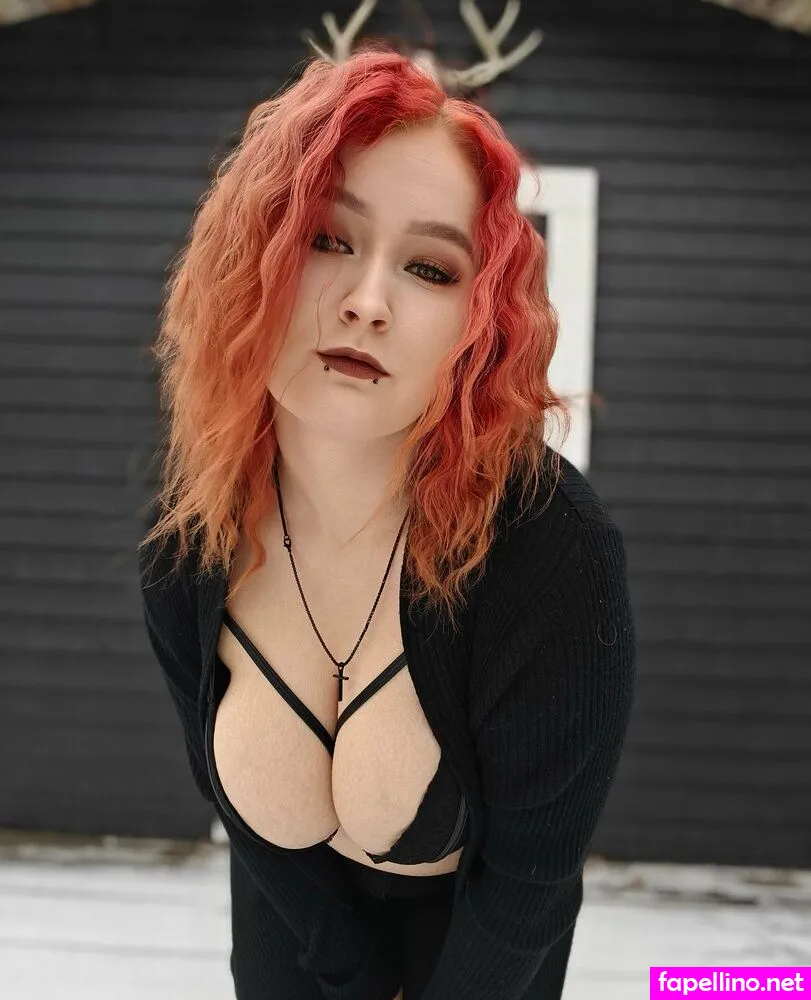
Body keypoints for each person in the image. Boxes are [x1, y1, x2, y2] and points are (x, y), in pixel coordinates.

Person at [138, 45, 636, 1000]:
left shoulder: (551, 547)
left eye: (428, 268)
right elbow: (239, 816)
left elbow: (532, 880)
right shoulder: (190, 533)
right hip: (291, 955)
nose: (367, 303)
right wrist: (350, 976)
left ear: (479, 321)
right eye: (328, 239)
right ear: (252, 259)